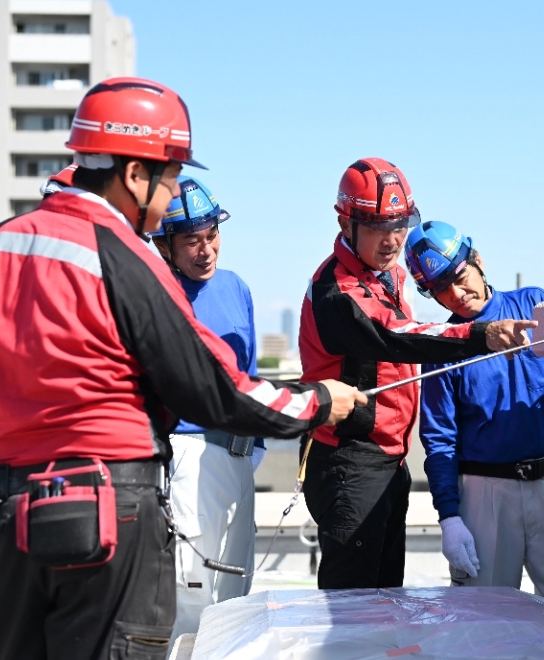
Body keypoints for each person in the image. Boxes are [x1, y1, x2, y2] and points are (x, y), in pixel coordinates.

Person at [0, 76, 367, 660]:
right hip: (108, 510)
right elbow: (216, 389)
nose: (172, 196)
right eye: (169, 178)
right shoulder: (124, 257)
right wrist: (319, 402)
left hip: (13, 507)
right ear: (134, 174)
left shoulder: (9, 243)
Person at [298, 157, 536, 590]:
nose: (390, 240)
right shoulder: (338, 290)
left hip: (387, 462)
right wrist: (480, 334)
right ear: (344, 222)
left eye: (399, 224)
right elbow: (398, 335)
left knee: (386, 598)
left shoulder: (383, 275)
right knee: (352, 608)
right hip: (351, 464)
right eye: (375, 227)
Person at [150, 176, 264, 641]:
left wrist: (253, 450)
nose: (206, 250)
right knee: (192, 589)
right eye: (192, 241)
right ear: (165, 246)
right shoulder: (156, 293)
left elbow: (251, 374)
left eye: (212, 235)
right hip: (188, 456)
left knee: (236, 589)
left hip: (238, 459)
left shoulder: (237, 287)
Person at [405, 220, 544, 591]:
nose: (456, 293)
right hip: (485, 494)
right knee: (485, 624)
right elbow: (439, 440)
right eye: (440, 289)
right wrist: (449, 517)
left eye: (458, 275)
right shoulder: (444, 348)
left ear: (477, 259)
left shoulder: (534, 305)